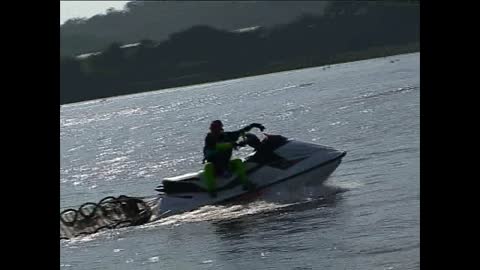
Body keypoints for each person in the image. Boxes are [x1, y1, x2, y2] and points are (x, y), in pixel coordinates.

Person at [203, 120, 265, 196]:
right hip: (214, 168)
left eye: (217, 128)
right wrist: (231, 144)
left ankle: (245, 183)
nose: (214, 131)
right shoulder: (209, 139)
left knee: (238, 161)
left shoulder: (227, 136)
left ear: (221, 128)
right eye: (213, 129)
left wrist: (254, 125)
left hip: (226, 165)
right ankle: (211, 190)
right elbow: (216, 147)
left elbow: (241, 131)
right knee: (208, 166)